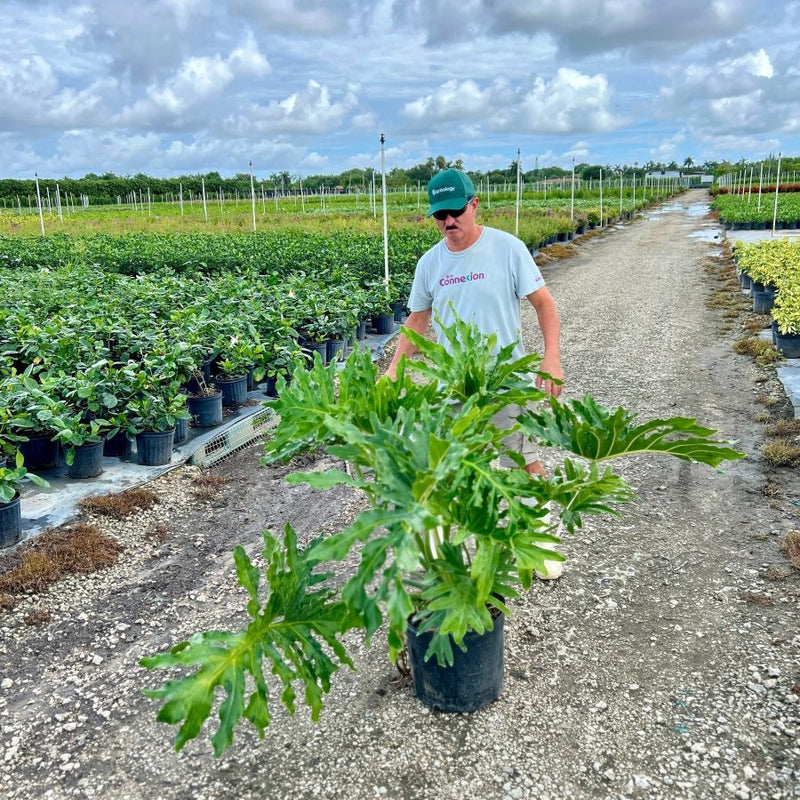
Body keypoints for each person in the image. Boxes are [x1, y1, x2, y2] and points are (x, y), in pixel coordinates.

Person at [385, 167, 565, 577]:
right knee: (447, 467)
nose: (449, 222)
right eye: (439, 215)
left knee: (522, 460)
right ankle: (442, 556)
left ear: (474, 205)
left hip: (505, 382)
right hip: (453, 388)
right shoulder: (430, 264)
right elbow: (417, 320)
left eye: (455, 212)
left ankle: (540, 542)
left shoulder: (508, 248)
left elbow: (544, 305)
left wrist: (551, 357)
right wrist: (396, 369)